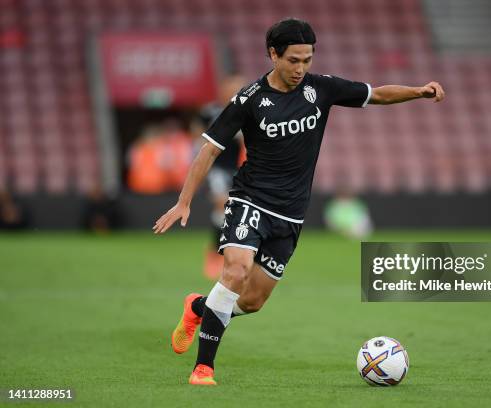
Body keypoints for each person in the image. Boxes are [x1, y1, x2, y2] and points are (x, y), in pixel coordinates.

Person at [153, 18, 445, 386]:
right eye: (293, 60)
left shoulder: (320, 89)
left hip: (290, 215)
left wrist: (419, 91)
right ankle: (203, 368)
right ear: (273, 54)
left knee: (253, 300)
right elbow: (208, 150)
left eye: (307, 59)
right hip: (250, 201)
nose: (301, 68)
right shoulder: (250, 99)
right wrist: (184, 202)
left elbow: (378, 94)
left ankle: (198, 307)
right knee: (236, 272)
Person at [190, 75, 247, 279]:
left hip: (241, 169)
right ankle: (215, 252)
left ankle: (232, 254)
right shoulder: (210, 111)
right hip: (218, 168)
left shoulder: (248, 110)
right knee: (222, 205)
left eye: (240, 88)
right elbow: (197, 133)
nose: (236, 91)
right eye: (232, 88)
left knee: (236, 212)